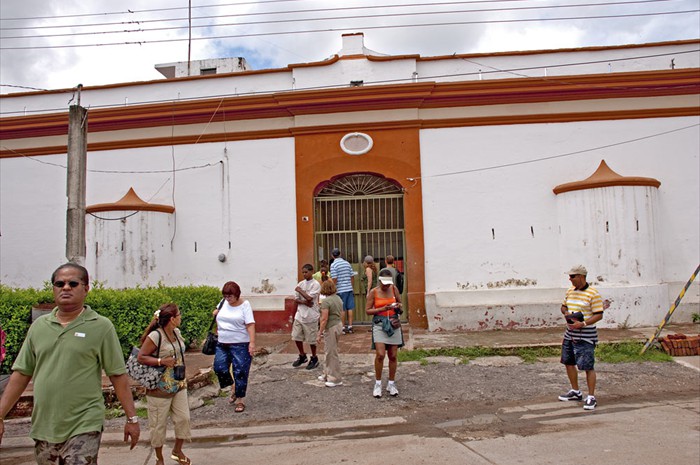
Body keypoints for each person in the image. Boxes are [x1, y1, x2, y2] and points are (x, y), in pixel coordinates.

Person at [0, 263, 140, 461]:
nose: (66, 288)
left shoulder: (101, 327)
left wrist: (132, 419)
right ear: (54, 288)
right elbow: (22, 373)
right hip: (45, 425)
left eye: (73, 283)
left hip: (84, 423)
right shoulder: (39, 327)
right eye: (60, 283)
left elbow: (117, 375)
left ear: (86, 289)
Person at [137, 303, 191, 465]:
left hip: (178, 384)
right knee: (158, 425)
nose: (181, 317)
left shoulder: (177, 332)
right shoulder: (155, 336)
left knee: (184, 419)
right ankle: (159, 457)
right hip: (159, 388)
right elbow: (141, 357)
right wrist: (162, 360)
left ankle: (177, 450)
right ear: (172, 319)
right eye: (179, 315)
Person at [558, 265, 605, 411]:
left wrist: (583, 323)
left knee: (587, 366)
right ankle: (575, 391)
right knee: (568, 362)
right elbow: (563, 306)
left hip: (585, 335)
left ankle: (591, 396)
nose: (570, 279)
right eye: (570, 276)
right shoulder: (570, 291)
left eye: (573, 276)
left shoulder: (593, 294)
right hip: (570, 333)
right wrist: (566, 313)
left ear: (581, 276)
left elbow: (599, 314)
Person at [212, 281, 256, 413]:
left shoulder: (245, 305)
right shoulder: (223, 302)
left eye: (230, 296)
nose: (228, 299)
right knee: (219, 367)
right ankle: (233, 387)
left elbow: (250, 324)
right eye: (226, 296)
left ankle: (240, 400)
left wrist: (252, 343)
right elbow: (217, 316)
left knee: (240, 372)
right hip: (222, 342)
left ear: (237, 295)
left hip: (240, 344)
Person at [366, 268, 404, 398]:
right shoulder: (374, 292)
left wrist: (399, 306)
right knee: (380, 354)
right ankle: (377, 383)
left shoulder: (394, 289)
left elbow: (400, 302)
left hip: (393, 323)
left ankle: (391, 383)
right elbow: (368, 310)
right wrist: (382, 308)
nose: (386, 286)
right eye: (384, 283)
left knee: (393, 355)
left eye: (388, 283)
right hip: (379, 324)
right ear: (379, 281)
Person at [291, 264, 322, 370]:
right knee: (296, 336)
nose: (304, 274)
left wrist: (300, 291)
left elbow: (310, 298)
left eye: (306, 272)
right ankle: (302, 354)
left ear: (312, 271)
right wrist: (304, 302)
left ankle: (314, 357)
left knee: (311, 339)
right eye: (303, 272)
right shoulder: (301, 283)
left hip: (311, 315)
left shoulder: (315, 284)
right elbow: (296, 299)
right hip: (299, 314)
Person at [316, 280, 344, 387]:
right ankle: (326, 373)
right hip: (337, 325)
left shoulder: (326, 302)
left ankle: (335, 378)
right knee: (329, 350)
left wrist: (319, 333)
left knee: (331, 352)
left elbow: (324, 319)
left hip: (331, 327)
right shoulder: (338, 298)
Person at [330, 248, 355, 334]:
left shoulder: (333, 265)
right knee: (350, 308)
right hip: (349, 288)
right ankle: (350, 326)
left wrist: (333, 288)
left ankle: (343, 327)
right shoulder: (347, 263)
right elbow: (352, 276)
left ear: (332, 255)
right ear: (340, 254)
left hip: (340, 289)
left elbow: (334, 278)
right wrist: (351, 286)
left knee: (342, 309)